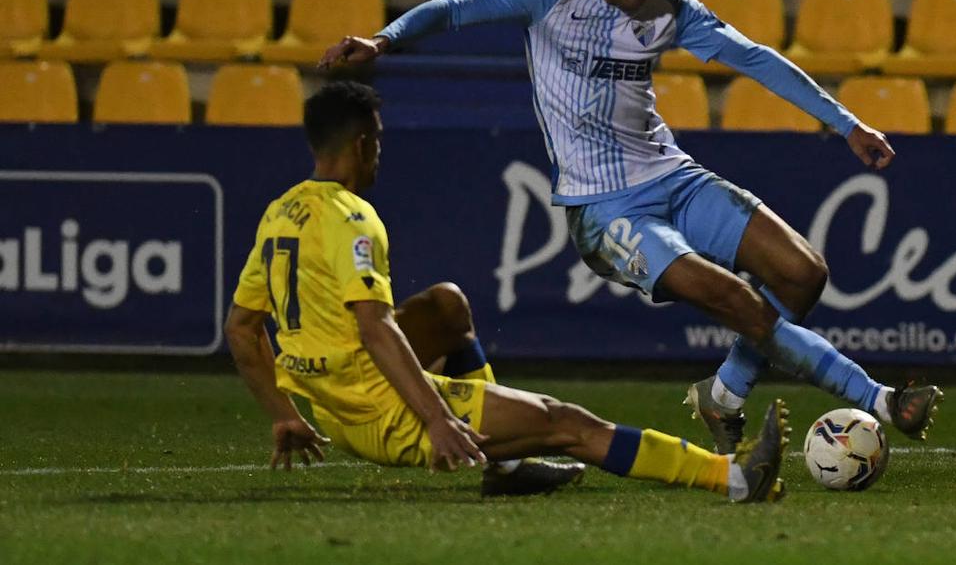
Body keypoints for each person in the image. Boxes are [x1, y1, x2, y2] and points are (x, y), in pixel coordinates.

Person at [318, 0, 942, 456]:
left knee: (803, 274)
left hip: (673, 176)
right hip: (605, 209)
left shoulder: (670, 9)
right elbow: (458, 7)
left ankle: (724, 394)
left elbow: (754, 59)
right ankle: (879, 399)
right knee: (733, 298)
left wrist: (847, 123)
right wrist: (383, 40)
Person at [224, 81, 789, 503]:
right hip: (383, 411)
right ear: (364, 143)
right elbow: (376, 326)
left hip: (332, 403)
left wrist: (284, 414)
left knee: (445, 305)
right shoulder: (353, 219)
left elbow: (242, 329)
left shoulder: (281, 213)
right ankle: (732, 476)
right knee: (568, 423)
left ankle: (506, 468)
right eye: (379, 142)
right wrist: (436, 419)